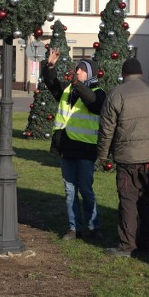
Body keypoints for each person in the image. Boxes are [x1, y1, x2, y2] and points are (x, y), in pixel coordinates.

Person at [97, 57, 149, 257]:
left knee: (128, 199)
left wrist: (102, 155)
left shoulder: (116, 94)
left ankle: (128, 245)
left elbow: (106, 129)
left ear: (123, 74)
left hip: (127, 158)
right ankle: (146, 243)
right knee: (145, 199)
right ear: (141, 73)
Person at [43, 48, 106, 240]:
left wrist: (77, 84)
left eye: (81, 69)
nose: (77, 71)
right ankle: (74, 228)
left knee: (86, 190)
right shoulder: (68, 90)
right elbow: (51, 83)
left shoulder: (98, 93)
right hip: (67, 150)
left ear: (90, 74)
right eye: (76, 69)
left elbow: (92, 102)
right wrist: (50, 66)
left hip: (86, 151)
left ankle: (93, 226)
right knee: (70, 192)